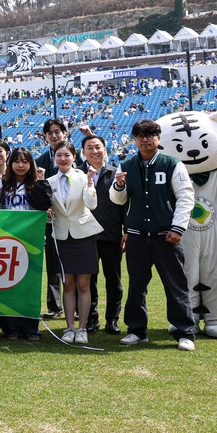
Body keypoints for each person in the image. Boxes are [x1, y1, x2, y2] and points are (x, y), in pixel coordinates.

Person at [109, 119, 198, 351]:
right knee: (137, 285)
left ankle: (184, 332)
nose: (145, 139)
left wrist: (178, 227)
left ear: (159, 138)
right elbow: (117, 200)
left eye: (150, 134)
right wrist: (118, 186)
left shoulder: (172, 165)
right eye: (140, 135)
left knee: (175, 284)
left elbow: (186, 197)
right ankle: (137, 330)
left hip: (165, 236)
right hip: (137, 236)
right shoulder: (125, 165)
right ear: (134, 139)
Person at [0, 148, 52, 341]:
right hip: (6, 242)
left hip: (31, 242)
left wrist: (41, 182)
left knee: (29, 286)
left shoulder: (38, 184)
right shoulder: (0, 185)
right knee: (8, 285)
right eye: (17, 161)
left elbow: (44, 205)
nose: (21, 165)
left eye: (25, 162)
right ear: (11, 164)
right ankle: (11, 328)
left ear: (31, 164)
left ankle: (31, 327)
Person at [46, 141, 103, 345]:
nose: (63, 159)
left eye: (66, 155)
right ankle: (69, 328)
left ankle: (82, 328)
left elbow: (92, 204)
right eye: (59, 155)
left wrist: (90, 182)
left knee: (83, 285)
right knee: (68, 284)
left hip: (84, 235)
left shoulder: (83, 176)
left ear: (74, 157)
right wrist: (47, 214)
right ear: (55, 157)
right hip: (61, 236)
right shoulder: (50, 181)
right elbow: (47, 209)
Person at [79, 132, 125, 334]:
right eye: (90, 148)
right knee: (88, 281)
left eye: (98, 147)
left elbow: (125, 205)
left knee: (113, 280)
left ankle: (112, 320)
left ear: (105, 150)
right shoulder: (76, 175)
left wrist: (127, 231)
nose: (94, 151)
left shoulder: (116, 174)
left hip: (111, 235)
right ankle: (91, 318)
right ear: (83, 152)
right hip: (85, 236)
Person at [35, 118, 77, 320]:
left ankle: (77, 306)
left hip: (73, 219)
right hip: (50, 220)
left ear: (64, 133)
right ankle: (54, 305)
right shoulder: (41, 161)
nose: (54, 135)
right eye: (50, 132)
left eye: (57, 131)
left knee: (74, 265)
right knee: (52, 265)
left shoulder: (73, 156)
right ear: (45, 136)